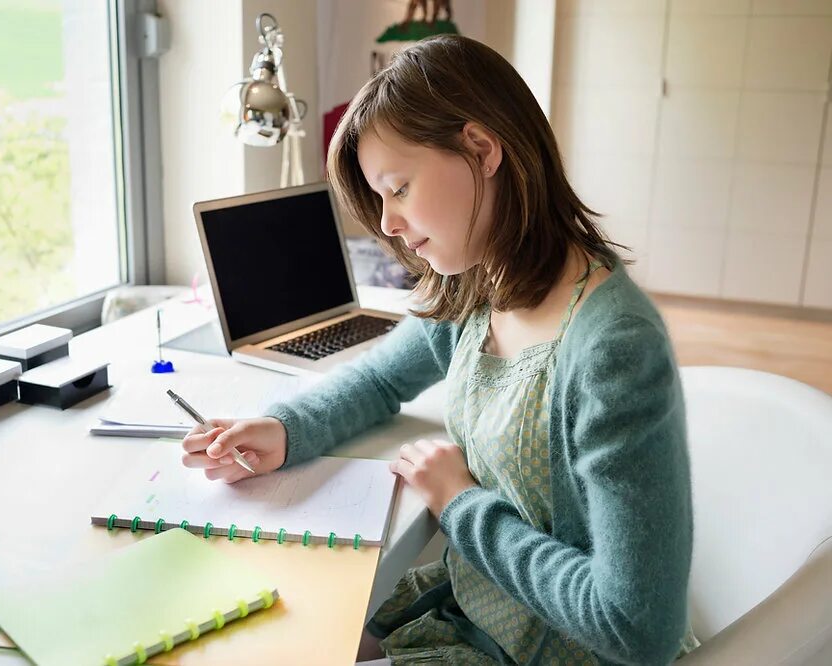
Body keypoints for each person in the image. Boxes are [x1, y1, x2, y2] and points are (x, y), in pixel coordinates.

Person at [181, 34, 700, 665]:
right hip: (475, 607)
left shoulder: (613, 347)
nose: (388, 223)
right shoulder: (481, 284)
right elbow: (380, 379)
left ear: (481, 149)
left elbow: (635, 629)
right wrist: (284, 430)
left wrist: (460, 502)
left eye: (398, 188)